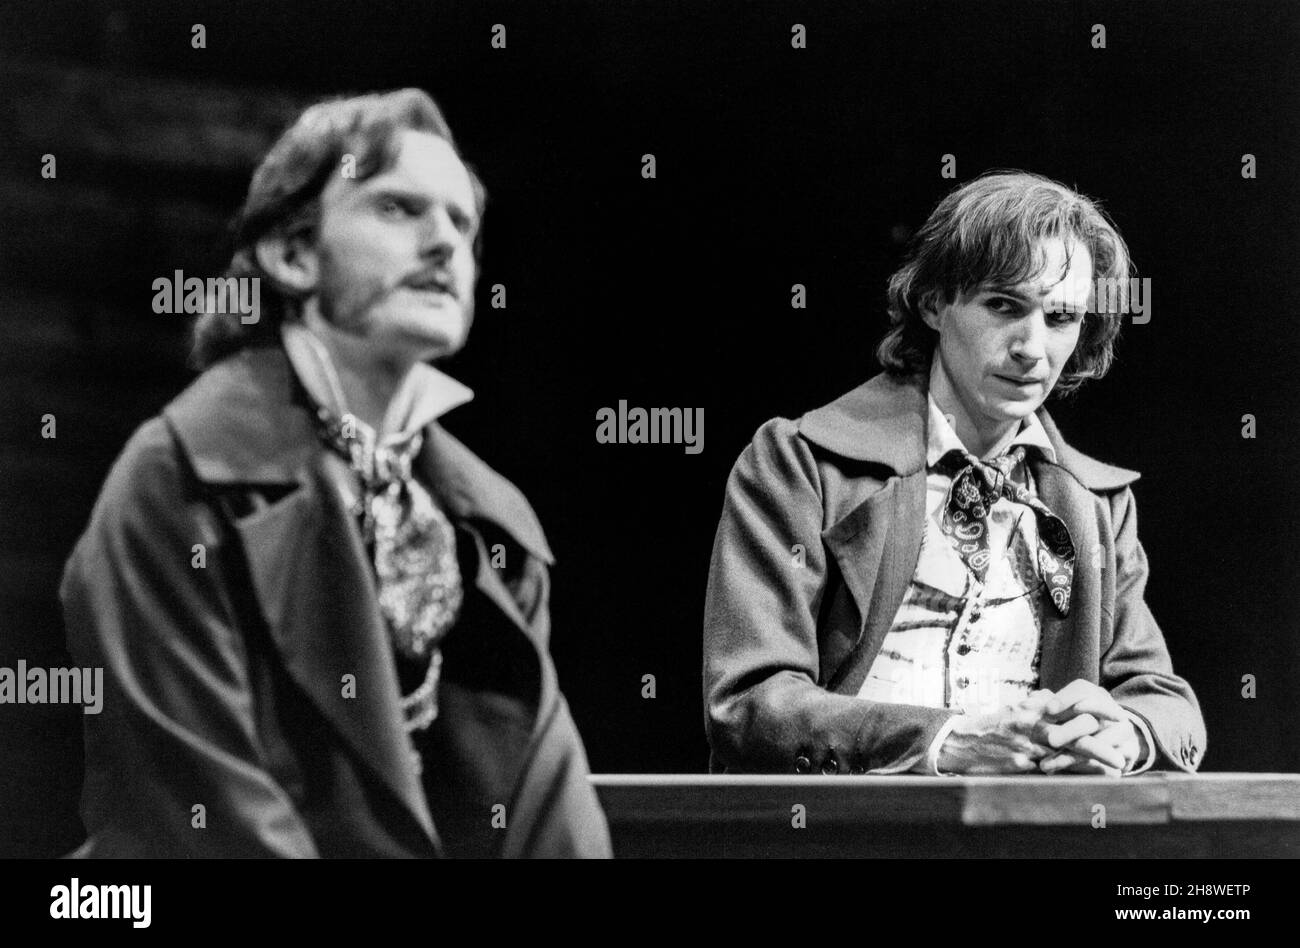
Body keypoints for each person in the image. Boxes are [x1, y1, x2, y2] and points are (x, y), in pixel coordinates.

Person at [61, 88, 611, 857]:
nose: (444, 244)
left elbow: (544, 811)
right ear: (293, 253)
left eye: (462, 222)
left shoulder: (493, 527)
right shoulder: (176, 479)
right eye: (397, 208)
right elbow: (204, 819)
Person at [703, 171, 1205, 777]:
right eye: (1003, 305)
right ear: (935, 303)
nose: (1032, 347)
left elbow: (1163, 701)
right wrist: (947, 741)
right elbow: (751, 703)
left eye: (1062, 316)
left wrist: (1123, 735)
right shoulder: (801, 462)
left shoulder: (1097, 501)